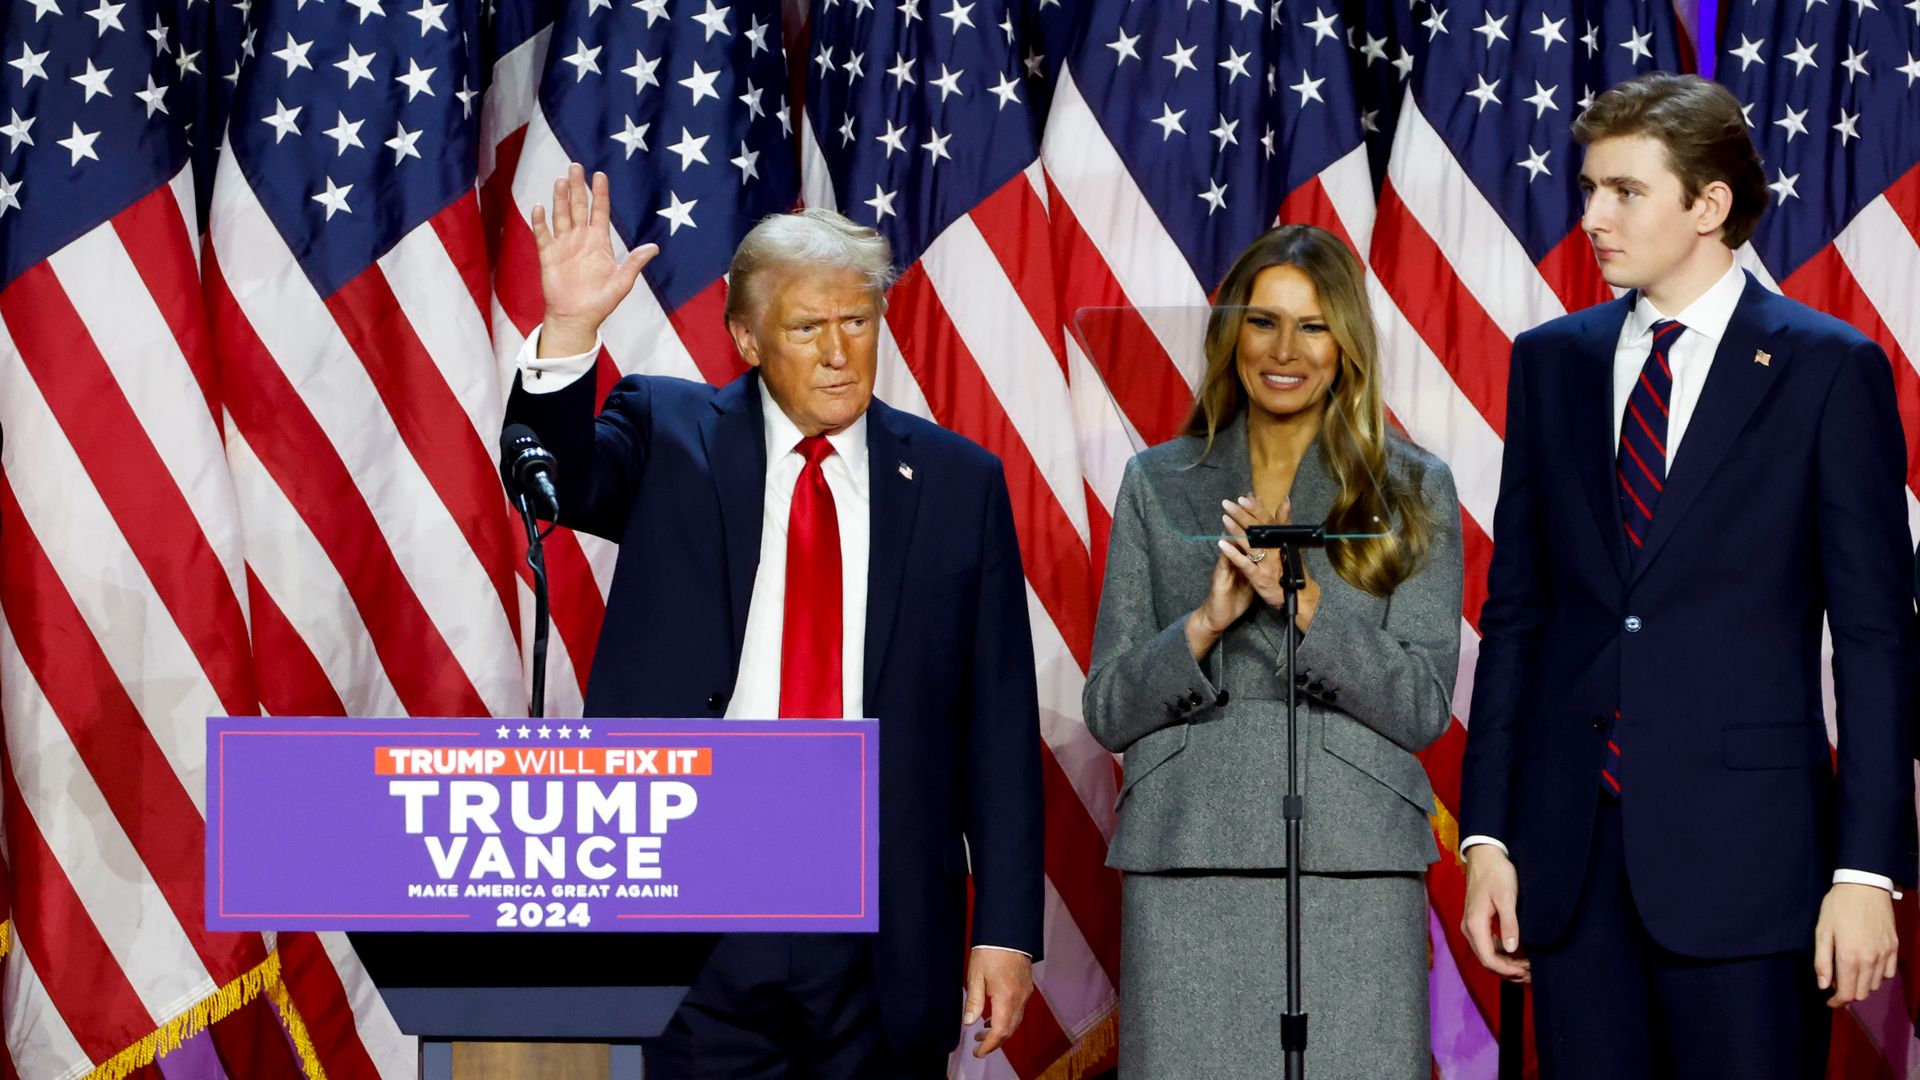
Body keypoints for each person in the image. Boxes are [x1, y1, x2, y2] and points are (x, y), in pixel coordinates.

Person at [504, 165, 1044, 1078]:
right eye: (806, 328)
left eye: (857, 322)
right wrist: (569, 330)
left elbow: (997, 722)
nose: (839, 352)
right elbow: (551, 475)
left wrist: (1005, 932)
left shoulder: (960, 483)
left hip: (878, 914)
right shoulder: (666, 429)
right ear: (747, 338)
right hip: (694, 898)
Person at [1459, 73, 1916, 1078]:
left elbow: (1879, 638)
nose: (1591, 217)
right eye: (1589, 189)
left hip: (1753, 871)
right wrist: (1487, 836)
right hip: (1569, 868)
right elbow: (1520, 615)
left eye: (1624, 191)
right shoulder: (1552, 362)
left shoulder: (1827, 368)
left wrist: (1867, 869)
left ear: (1710, 205)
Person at [1083, 224, 1464, 1078]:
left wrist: (1307, 606)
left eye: (1314, 325)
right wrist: (1204, 626)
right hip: (1190, 856)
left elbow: (1421, 706)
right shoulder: (1159, 480)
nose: (1285, 349)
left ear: (1347, 345)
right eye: (1263, 322)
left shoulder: (1411, 487)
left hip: (1352, 862)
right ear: (1231, 336)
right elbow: (1109, 707)